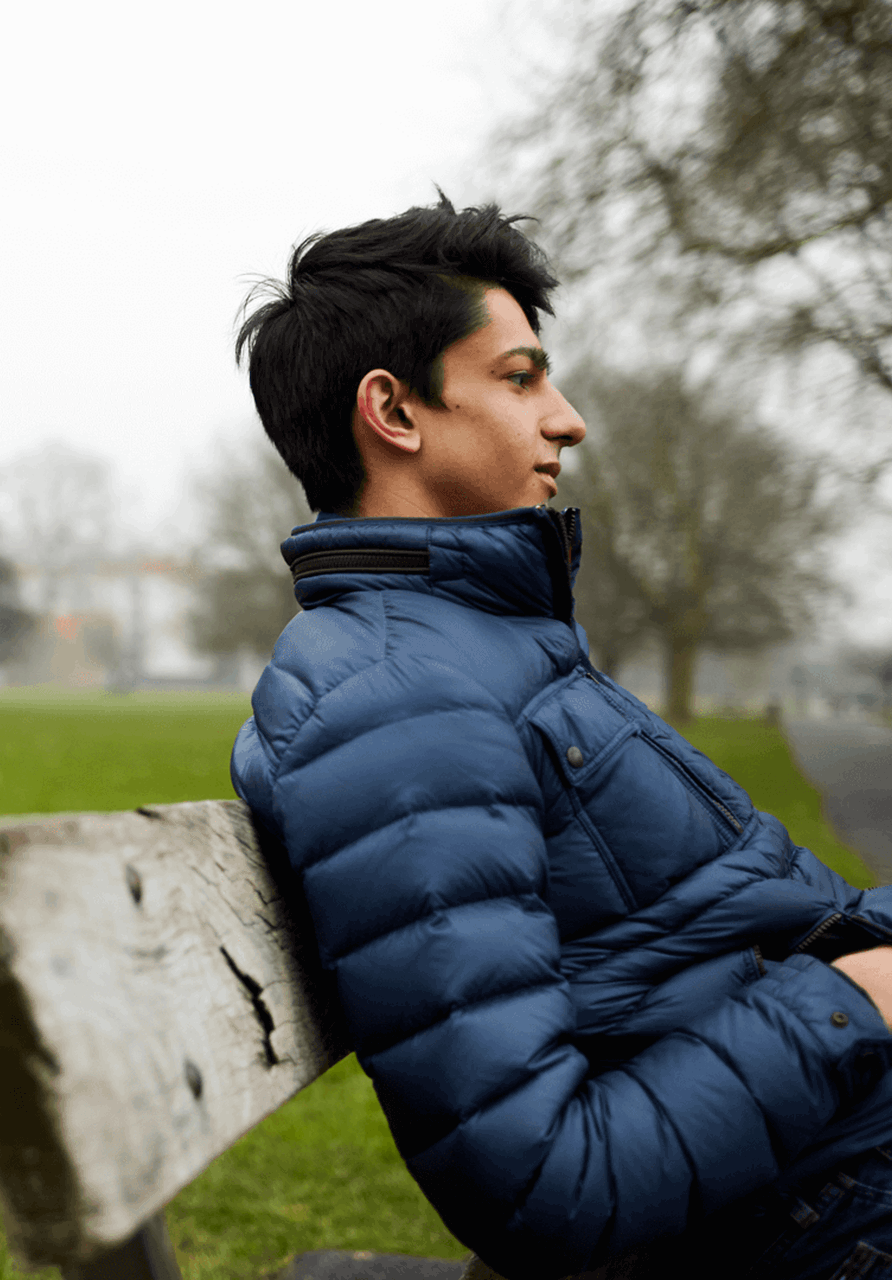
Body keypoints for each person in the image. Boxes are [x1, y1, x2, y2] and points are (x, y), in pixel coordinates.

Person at [229, 197, 892, 1280]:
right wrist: (855, 1000)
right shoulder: (398, 701)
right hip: (823, 1215)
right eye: (521, 378)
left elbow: (714, 925)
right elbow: (546, 1180)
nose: (568, 420)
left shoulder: (480, 646)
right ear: (393, 411)